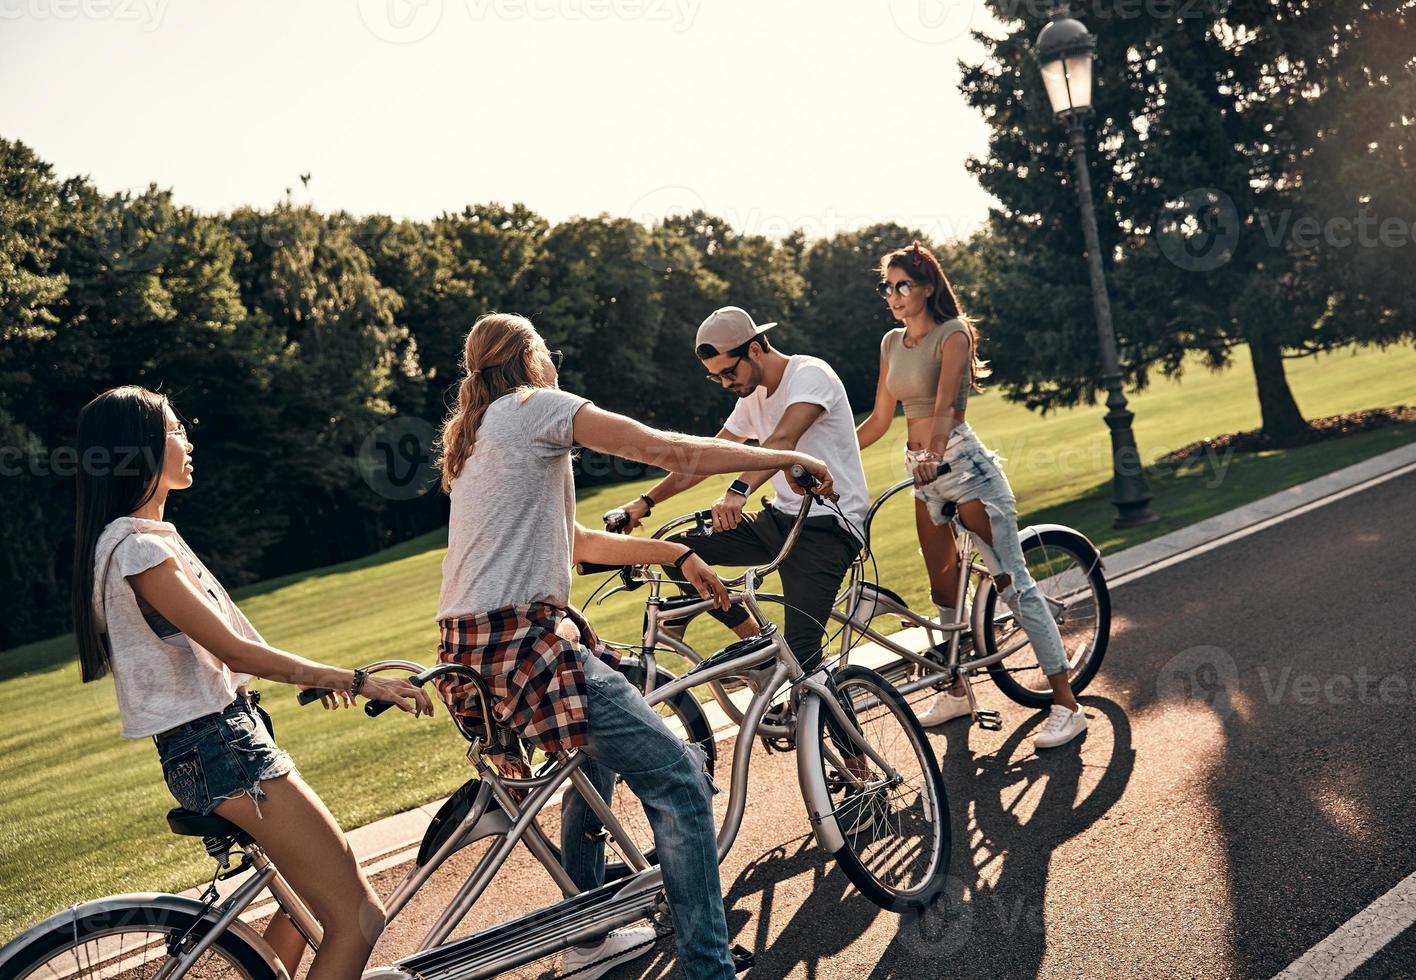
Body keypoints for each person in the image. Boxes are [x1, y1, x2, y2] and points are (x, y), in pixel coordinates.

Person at [433, 312, 835, 980]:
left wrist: (676, 553)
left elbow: (578, 544)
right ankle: (709, 970)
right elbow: (674, 453)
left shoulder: (480, 431)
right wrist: (786, 457)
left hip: (475, 650)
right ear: (532, 359)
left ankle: (588, 936)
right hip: (523, 641)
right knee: (678, 777)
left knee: (592, 758)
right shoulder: (536, 407)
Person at [72, 386, 433, 980]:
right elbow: (235, 649)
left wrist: (312, 680)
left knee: (302, 914)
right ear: (136, 450)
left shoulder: (141, 540)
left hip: (217, 744)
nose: (189, 442)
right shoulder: (137, 548)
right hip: (223, 750)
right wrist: (357, 679)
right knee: (359, 918)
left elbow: (224, 655)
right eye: (175, 430)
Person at [855, 241, 1088, 749]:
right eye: (887, 287)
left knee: (1012, 583)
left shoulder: (953, 334)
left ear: (928, 287)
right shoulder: (891, 343)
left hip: (963, 466)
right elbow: (878, 419)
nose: (893, 296)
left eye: (903, 286)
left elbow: (942, 410)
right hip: (922, 472)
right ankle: (958, 689)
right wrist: (826, 455)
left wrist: (932, 454)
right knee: (942, 590)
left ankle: (1068, 705)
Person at [613, 306, 870, 675]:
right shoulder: (752, 396)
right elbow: (704, 457)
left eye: (729, 373)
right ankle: (758, 650)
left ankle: (837, 724)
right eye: (715, 378)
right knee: (679, 554)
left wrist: (738, 489)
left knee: (803, 660)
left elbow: (783, 441)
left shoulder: (810, 375)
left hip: (829, 528)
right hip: (781, 519)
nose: (725, 384)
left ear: (755, 349)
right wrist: (643, 503)